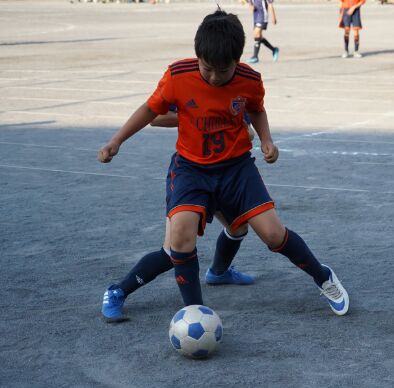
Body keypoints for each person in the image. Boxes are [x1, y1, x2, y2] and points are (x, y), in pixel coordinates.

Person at [98, 9, 349, 319]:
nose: (215, 77)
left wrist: (267, 140)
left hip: (236, 170)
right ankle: (188, 310)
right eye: (207, 69)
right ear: (198, 57)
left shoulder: (249, 80)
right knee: (178, 240)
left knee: (271, 234)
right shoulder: (178, 76)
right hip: (191, 169)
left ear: (238, 60)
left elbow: (257, 109)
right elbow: (151, 111)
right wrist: (116, 141)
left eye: (224, 70)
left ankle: (323, 277)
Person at [100, 110, 256, 323]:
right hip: (191, 175)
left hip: (224, 172)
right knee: (172, 250)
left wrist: (241, 128)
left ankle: (218, 273)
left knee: (238, 227)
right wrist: (201, 118)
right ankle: (117, 291)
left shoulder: (233, 89)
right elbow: (156, 118)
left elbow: (248, 130)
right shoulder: (189, 88)